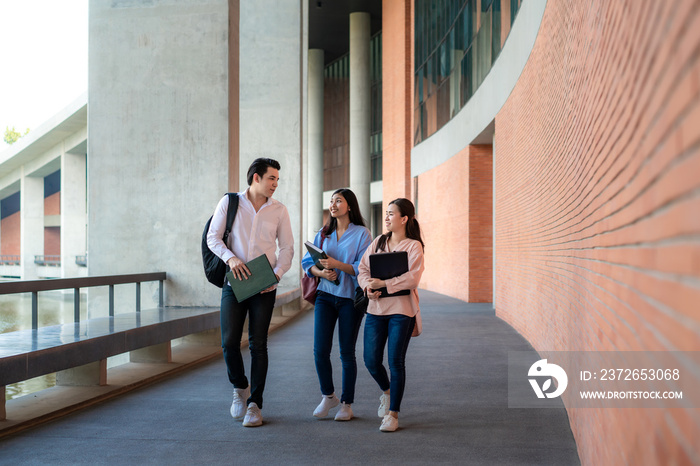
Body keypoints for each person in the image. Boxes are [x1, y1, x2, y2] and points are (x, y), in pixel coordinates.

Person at [206, 158, 294, 428]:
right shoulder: (230, 203)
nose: (275, 184)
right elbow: (213, 237)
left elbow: (287, 248)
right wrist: (231, 259)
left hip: (265, 286)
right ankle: (239, 386)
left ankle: (255, 404)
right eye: (271, 178)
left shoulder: (279, 210)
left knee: (258, 344)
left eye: (277, 179)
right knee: (229, 342)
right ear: (256, 177)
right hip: (235, 283)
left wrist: (276, 275)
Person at [301, 188, 372, 421]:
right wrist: (321, 273)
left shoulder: (362, 234)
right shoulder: (323, 233)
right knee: (320, 350)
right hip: (324, 297)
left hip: (349, 299)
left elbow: (362, 268)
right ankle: (328, 395)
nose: (333, 205)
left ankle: (346, 403)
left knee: (346, 352)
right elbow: (307, 262)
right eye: (331, 201)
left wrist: (336, 264)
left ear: (349, 206)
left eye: (338, 201)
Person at [357, 198, 425, 432]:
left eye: (391, 214)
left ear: (404, 218)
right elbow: (363, 269)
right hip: (375, 310)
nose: (386, 217)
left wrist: (384, 283)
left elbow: (413, 278)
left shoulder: (413, 246)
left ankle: (393, 414)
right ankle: (387, 391)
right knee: (371, 360)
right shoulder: (378, 242)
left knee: (396, 361)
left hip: (402, 310)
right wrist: (368, 287)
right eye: (385, 213)